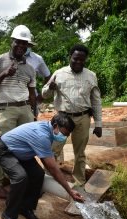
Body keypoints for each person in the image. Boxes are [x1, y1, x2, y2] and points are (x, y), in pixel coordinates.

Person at [0, 112, 84, 219]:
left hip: (21, 153)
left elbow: (46, 162)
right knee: (20, 177)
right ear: (55, 125)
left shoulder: (48, 130)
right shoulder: (42, 135)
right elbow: (52, 168)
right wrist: (70, 190)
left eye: (67, 135)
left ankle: (25, 207)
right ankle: (9, 214)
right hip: (5, 151)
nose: (65, 137)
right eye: (64, 133)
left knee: (38, 174)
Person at [0, 25, 37, 199]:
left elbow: (32, 94)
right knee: (4, 146)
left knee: (28, 146)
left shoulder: (30, 68)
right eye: (18, 43)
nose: (21, 47)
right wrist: (5, 73)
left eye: (25, 45)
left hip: (25, 109)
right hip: (6, 108)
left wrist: (34, 113)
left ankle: (24, 180)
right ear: (12, 42)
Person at [42, 44, 102, 187]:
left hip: (83, 118)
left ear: (85, 60)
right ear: (70, 57)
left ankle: (79, 183)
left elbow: (96, 101)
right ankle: (48, 181)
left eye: (82, 60)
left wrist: (98, 124)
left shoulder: (91, 75)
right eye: (75, 59)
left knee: (80, 153)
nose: (78, 63)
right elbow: (44, 94)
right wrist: (50, 88)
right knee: (53, 150)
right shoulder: (59, 73)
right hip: (62, 119)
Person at [24, 35, 51, 120]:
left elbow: (48, 76)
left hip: (31, 99)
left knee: (31, 126)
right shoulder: (9, 58)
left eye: (29, 45)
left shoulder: (37, 59)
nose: (27, 47)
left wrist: (42, 95)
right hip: (13, 99)